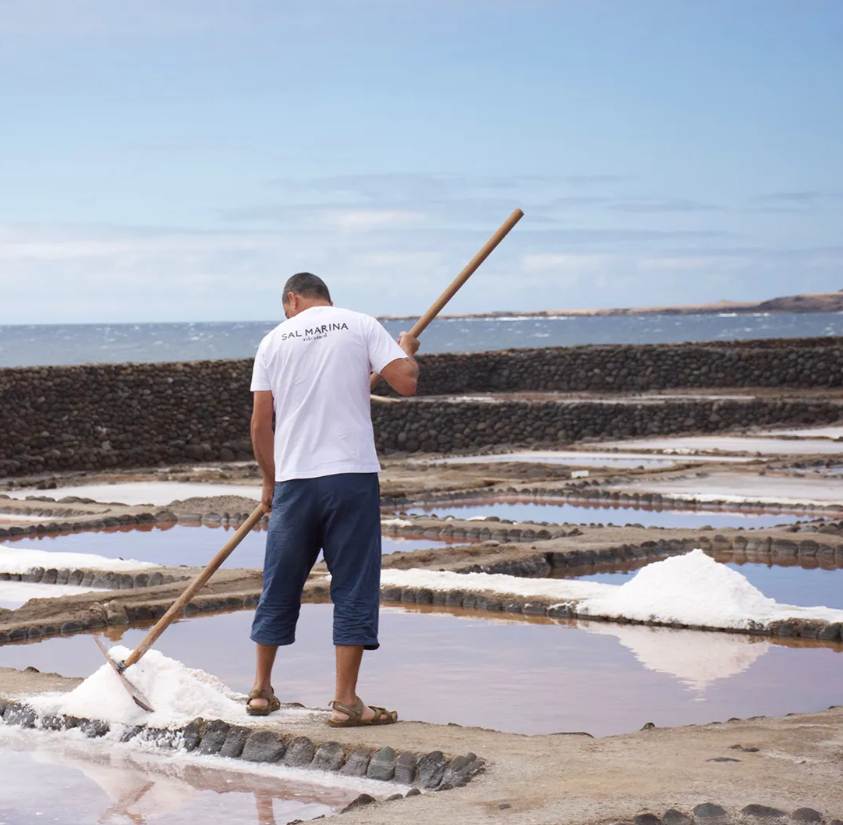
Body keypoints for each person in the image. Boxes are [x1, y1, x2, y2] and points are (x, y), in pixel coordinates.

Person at [247, 272, 420, 726]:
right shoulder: (359, 324)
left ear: (292, 299)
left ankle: (261, 691)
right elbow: (405, 382)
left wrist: (270, 481)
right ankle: (345, 701)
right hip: (350, 477)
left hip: (295, 481)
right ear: (324, 297)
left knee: (279, 582)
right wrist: (405, 354)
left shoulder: (273, 341)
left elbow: (261, 424)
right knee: (354, 586)